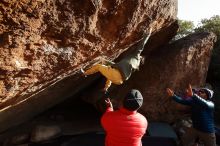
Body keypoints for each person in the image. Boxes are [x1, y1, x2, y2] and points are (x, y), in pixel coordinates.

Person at [81, 28, 152, 92]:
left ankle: (85, 73)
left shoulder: (137, 56)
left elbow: (141, 46)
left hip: (116, 74)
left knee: (99, 66)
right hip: (118, 81)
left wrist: (147, 35)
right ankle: (106, 88)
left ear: (140, 58)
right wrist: (106, 62)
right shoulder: (134, 66)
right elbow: (114, 67)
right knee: (111, 72)